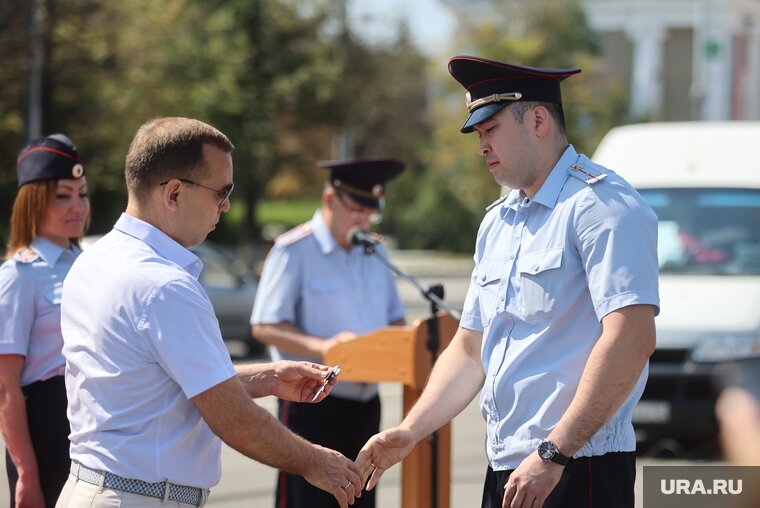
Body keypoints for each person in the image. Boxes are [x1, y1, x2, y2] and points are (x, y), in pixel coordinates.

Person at [356, 56, 660, 508]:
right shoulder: (499, 222)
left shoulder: (602, 207)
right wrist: (411, 430)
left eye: (490, 129)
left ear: (538, 119)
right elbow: (469, 349)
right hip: (512, 466)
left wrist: (555, 452)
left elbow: (631, 338)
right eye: (478, 134)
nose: (482, 146)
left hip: (577, 465)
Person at [56, 117, 362, 508]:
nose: (226, 205)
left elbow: (150, 378)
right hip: (142, 497)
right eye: (221, 192)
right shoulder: (165, 286)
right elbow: (235, 420)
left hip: (94, 488)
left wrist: (267, 376)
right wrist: (318, 462)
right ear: (174, 194)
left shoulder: (93, 260)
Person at [251, 158, 407, 508]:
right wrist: (323, 347)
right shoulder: (295, 250)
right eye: (356, 209)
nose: (363, 220)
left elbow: (396, 320)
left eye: (371, 212)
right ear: (329, 200)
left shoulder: (375, 252)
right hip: (314, 400)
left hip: (367, 405)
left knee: (360, 500)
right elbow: (265, 325)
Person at [0, 134, 89, 508]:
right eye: (62, 196)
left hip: (89, 421)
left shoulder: (89, 265)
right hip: (46, 424)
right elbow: (5, 387)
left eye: (82, 194)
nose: (78, 206)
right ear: (33, 202)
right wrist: (27, 474)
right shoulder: (18, 275)